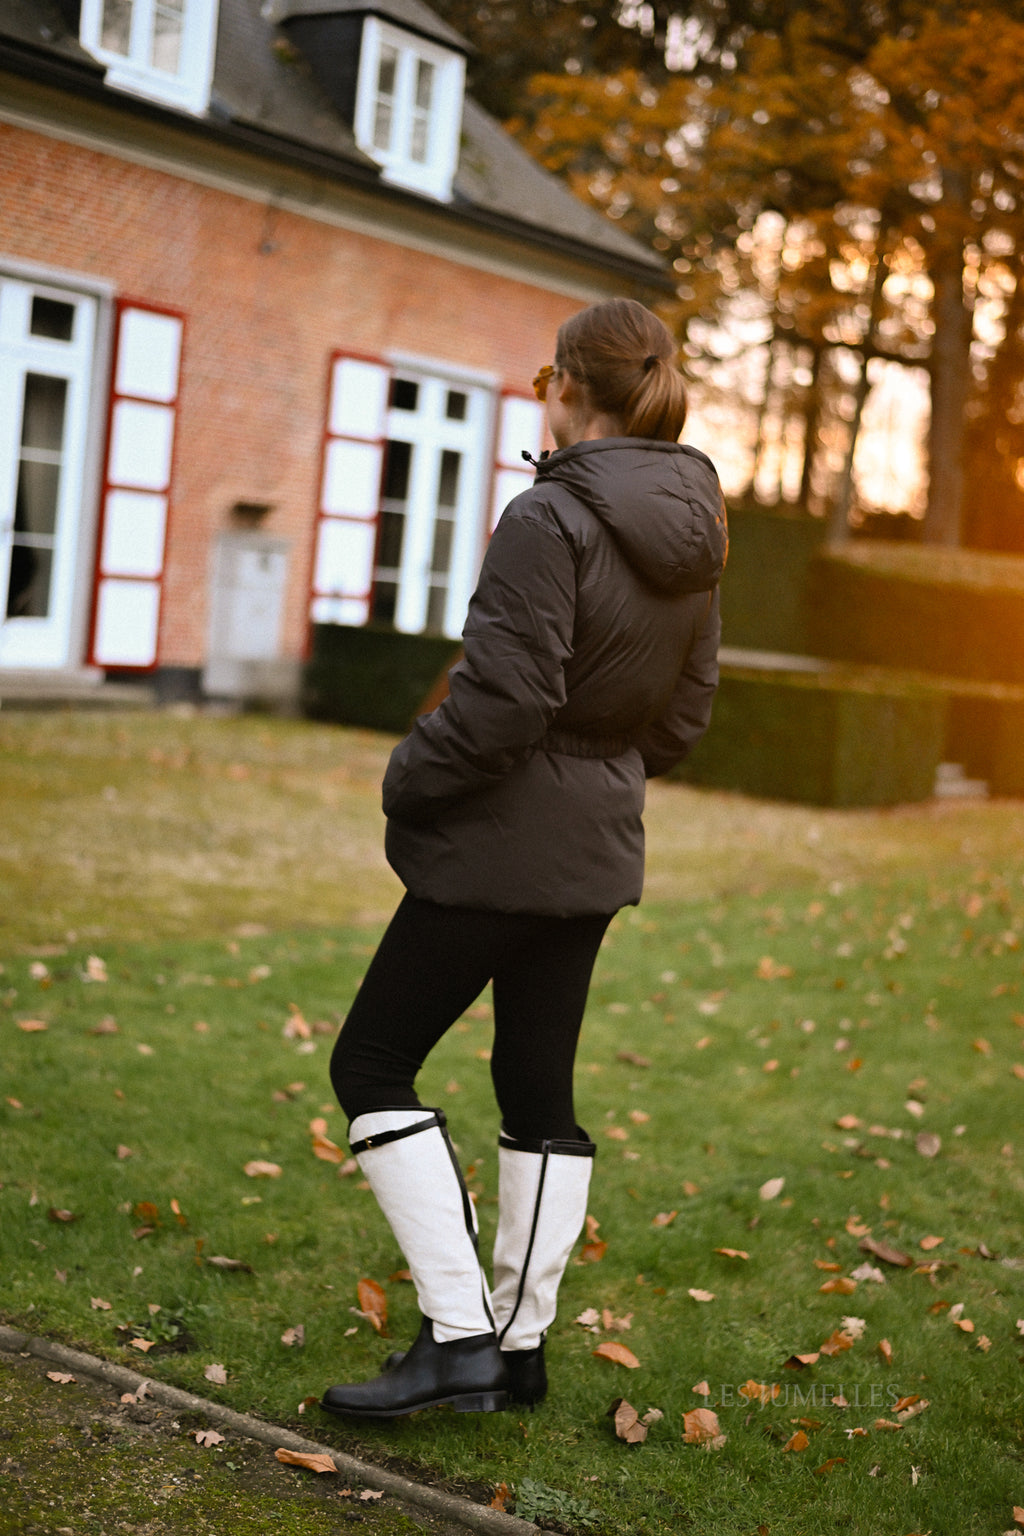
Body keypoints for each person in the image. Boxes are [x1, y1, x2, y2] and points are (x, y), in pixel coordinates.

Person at [320, 297, 727, 1420]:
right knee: (533, 1084)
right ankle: (520, 1350)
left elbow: (501, 704)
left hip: (503, 839)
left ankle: (460, 1337)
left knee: (370, 1063)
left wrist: (407, 777)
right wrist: (597, 772)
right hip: (595, 841)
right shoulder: (698, 525)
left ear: (563, 387)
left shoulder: (547, 518)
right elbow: (684, 719)